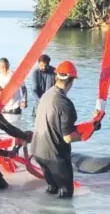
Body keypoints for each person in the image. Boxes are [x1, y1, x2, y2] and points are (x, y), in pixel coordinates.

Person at [30, 60, 100, 199]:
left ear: (56, 77)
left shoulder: (46, 95)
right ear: (71, 81)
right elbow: (68, 137)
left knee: (52, 188)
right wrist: (86, 135)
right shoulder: (65, 104)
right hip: (54, 156)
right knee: (66, 195)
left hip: (38, 152)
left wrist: (91, 125)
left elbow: (55, 124)